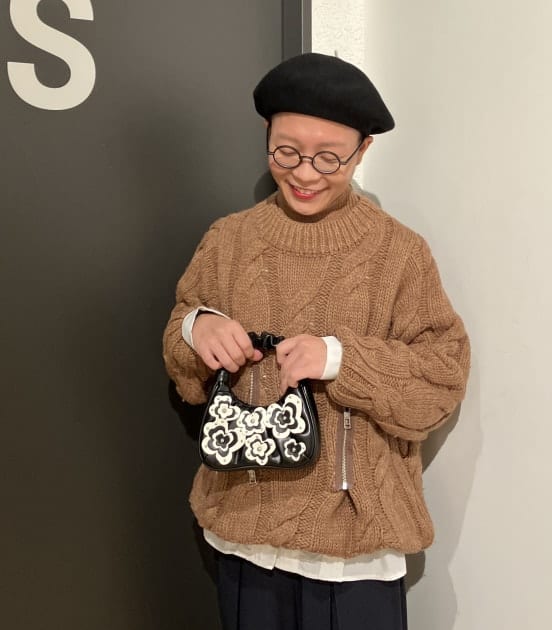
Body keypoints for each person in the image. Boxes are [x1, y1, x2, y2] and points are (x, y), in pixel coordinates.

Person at [163, 52, 470, 630]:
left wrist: (340, 359)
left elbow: (441, 379)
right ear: (266, 135)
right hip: (243, 531)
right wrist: (195, 327)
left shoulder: (399, 253)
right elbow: (182, 355)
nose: (305, 173)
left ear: (363, 150)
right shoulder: (228, 240)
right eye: (286, 151)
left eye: (330, 157)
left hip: (356, 549)